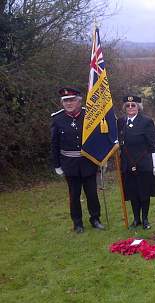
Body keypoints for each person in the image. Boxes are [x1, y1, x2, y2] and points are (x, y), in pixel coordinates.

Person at [50, 87, 104, 233]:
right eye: (65, 101)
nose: (69, 103)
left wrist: (101, 158)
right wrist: (57, 165)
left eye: (72, 100)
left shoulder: (89, 116)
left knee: (92, 193)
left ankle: (95, 219)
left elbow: (98, 138)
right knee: (74, 195)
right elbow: (54, 144)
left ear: (79, 101)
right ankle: (77, 223)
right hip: (69, 164)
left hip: (88, 162)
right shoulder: (58, 119)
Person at [117, 95, 155, 230]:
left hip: (143, 163)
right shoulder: (120, 121)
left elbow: (153, 143)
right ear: (125, 107)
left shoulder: (146, 121)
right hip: (127, 163)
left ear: (138, 107)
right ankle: (136, 219)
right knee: (132, 193)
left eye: (133, 105)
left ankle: (145, 219)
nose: (130, 108)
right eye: (128, 105)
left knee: (144, 193)